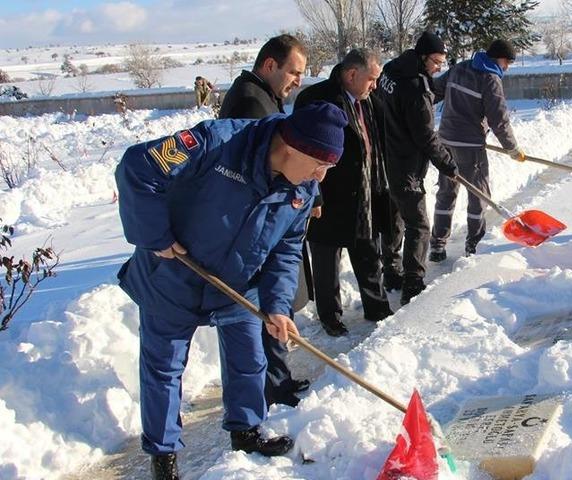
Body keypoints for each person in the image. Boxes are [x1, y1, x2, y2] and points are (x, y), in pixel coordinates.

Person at [115, 102, 348, 480]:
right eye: (320, 165)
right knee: (163, 369)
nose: (321, 176)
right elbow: (136, 168)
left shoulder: (303, 190)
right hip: (174, 275)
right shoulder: (215, 142)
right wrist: (154, 234)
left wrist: (277, 306)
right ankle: (164, 457)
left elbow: (286, 252)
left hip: (239, 284)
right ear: (292, 147)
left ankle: (247, 430)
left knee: (248, 359)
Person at [219, 34, 315, 406]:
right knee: (265, 304)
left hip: (263, 219)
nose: (297, 81)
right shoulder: (249, 101)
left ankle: (277, 379)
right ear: (270, 65)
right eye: (294, 72)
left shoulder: (264, 96)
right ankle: (272, 385)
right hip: (254, 222)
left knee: (275, 300)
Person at [294, 49, 394, 336]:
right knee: (327, 259)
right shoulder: (316, 99)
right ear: (352, 75)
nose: (375, 85)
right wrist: (314, 195)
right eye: (372, 79)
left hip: (365, 194)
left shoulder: (369, 101)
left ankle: (377, 306)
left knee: (368, 253)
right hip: (330, 197)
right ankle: (330, 315)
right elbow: (302, 155)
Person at [375, 31, 459, 305]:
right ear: (423, 57)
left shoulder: (391, 69)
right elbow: (426, 136)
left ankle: (392, 271)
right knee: (419, 225)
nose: (438, 67)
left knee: (396, 217)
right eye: (436, 62)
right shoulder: (416, 89)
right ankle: (413, 283)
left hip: (387, 154)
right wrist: (447, 163)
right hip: (407, 165)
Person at [429, 39, 525, 261]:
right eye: (506, 62)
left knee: (446, 193)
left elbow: (434, 91)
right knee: (478, 195)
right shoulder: (490, 79)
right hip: (471, 146)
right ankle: (474, 244)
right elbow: (499, 120)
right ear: (497, 58)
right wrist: (512, 148)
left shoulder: (460, 68)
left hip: (445, 141)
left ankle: (437, 245)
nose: (507, 67)